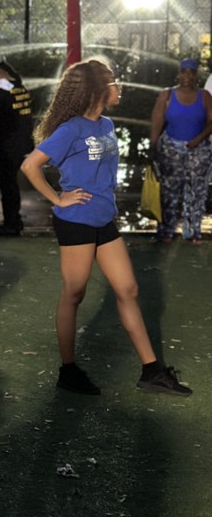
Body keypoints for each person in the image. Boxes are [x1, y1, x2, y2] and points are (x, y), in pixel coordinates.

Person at [20, 59, 192, 397]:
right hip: (76, 221)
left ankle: (152, 371)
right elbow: (30, 165)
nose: (119, 87)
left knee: (128, 289)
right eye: (113, 81)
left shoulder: (108, 124)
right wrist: (58, 198)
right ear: (97, 89)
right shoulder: (70, 128)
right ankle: (68, 371)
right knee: (74, 294)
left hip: (103, 219)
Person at [148, 58, 212, 244]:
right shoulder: (166, 95)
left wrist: (197, 140)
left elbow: (211, 122)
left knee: (196, 192)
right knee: (169, 192)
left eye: (191, 73)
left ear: (196, 75)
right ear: (179, 73)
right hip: (171, 149)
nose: (187, 76)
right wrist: (153, 148)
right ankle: (166, 231)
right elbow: (157, 122)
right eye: (184, 72)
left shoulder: (205, 96)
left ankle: (192, 232)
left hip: (198, 150)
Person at [0, 54, 34, 236]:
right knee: (11, 182)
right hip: (24, 142)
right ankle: (14, 221)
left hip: (8, 143)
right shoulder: (20, 88)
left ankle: (11, 223)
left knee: (7, 183)